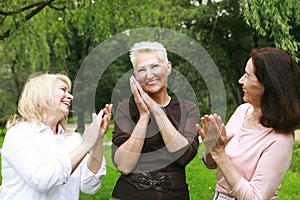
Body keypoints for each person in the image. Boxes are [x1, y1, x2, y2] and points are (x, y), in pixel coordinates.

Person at [197, 47, 300, 200]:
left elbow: (255, 197)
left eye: (247, 76)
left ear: (268, 86)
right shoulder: (242, 111)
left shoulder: (281, 139)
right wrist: (211, 147)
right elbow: (211, 163)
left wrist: (220, 153)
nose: (240, 81)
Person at [0, 73, 112, 200]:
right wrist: (86, 144)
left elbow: (89, 186)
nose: (70, 96)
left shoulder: (73, 139)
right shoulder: (19, 134)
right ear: (42, 94)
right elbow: (41, 180)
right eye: (63, 90)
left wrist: (97, 139)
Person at [111, 41, 200, 200]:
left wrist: (156, 110)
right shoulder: (127, 108)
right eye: (141, 70)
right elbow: (124, 166)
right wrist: (144, 117)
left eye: (155, 66)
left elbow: (183, 156)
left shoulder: (188, 109)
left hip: (174, 194)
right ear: (136, 75)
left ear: (168, 67)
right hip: (129, 194)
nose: (149, 74)